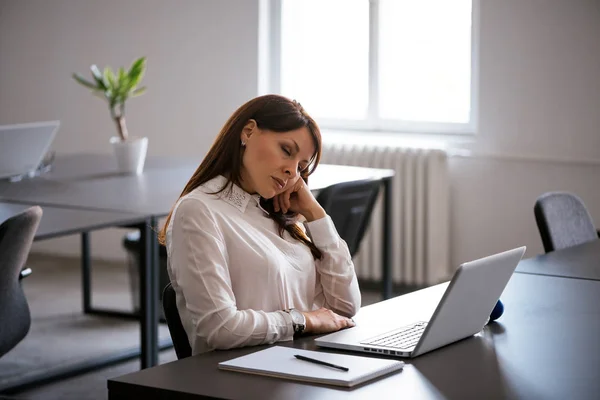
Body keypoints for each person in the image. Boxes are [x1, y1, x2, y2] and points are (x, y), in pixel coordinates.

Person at [158, 94, 361, 355]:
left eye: (301, 167)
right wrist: (304, 320)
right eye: (286, 150)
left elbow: (345, 307)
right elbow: (220, 327)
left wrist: (316, 214)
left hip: (299, 364)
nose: (292, 172)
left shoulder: (280, 216)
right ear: (248, 132)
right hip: (238, 378)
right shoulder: (198, 211)